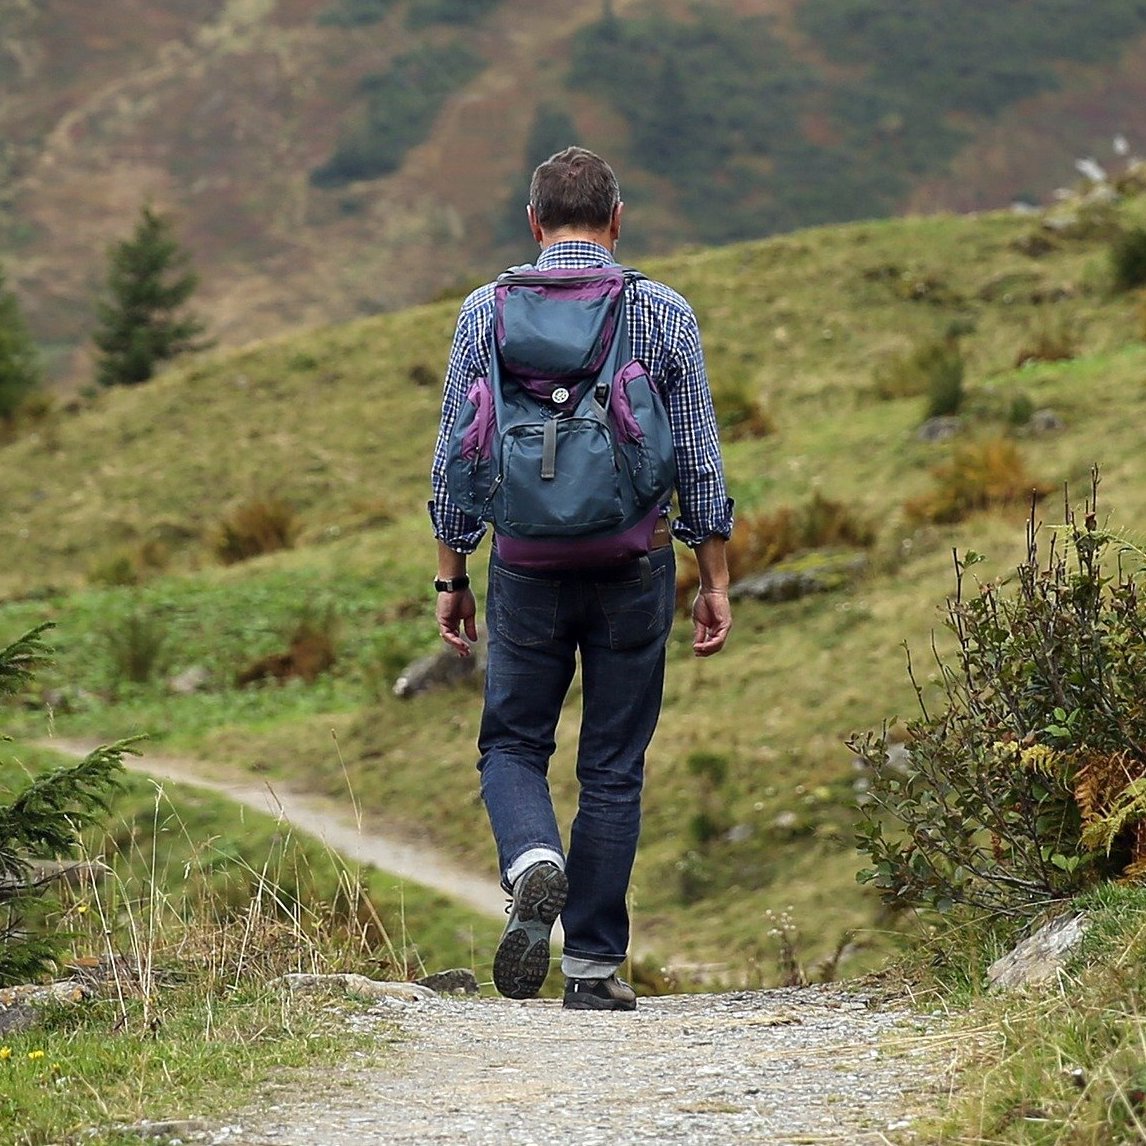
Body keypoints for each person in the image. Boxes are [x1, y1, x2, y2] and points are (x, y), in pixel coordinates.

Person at [429, 146, 733, 1011]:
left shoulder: (484, 312)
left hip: (525, 565)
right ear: (617, 219)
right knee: (612, 765)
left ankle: (533, 859)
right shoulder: (661, 311)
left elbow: (456, 453)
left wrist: (452, 575)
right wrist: (714, 577)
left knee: (513, 744)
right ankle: (593, 967)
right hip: (634, 562)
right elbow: (699, 459)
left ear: (533, 222)